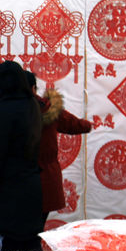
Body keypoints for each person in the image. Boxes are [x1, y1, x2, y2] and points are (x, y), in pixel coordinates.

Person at [0, 61, 43, 251]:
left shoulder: (5, 111)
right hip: (30, 186)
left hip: (10, 191)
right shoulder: (31, 105)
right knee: (30, 246)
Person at [25, 71, 92, 223]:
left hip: (22, 176)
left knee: (21, 227)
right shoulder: (50, 108)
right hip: (48, 175)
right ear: (34, 88)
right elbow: (72, 124)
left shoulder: (12, 110)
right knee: (37, 226)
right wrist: (88, 125)